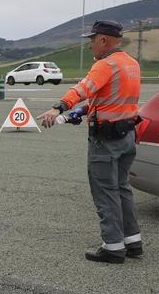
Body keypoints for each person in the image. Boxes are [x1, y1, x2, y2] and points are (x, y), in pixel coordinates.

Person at [38, 20, 143, 264]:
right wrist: (85, 111)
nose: (90, 45)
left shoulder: (105, 65)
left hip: (105, 141)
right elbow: (112, 98)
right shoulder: (131, 64)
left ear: (104, 40)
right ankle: (132, 241)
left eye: (92, 40)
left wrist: (59, 107)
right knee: (122, 188)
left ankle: (113, 247)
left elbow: (83, 88)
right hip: (127, 136)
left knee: (105, 192)